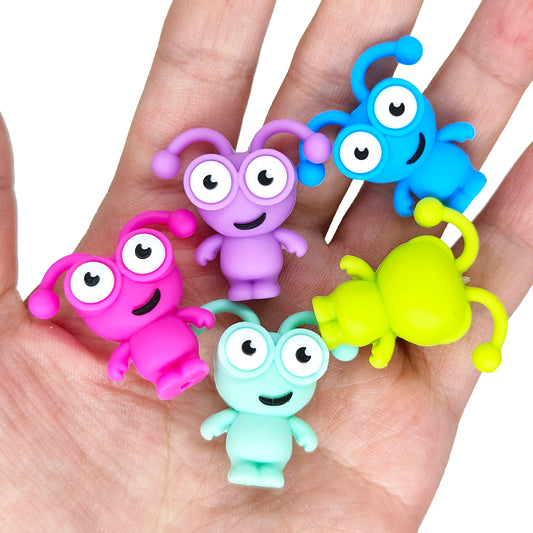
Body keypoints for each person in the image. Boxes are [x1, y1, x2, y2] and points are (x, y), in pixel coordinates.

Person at [0, 0, 531, 530]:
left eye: (260, 181)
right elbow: (201, 310)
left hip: (341, 260)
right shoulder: (306, 303)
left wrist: (232, 289)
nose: (243, 204)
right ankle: (188, 368)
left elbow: (233, 315)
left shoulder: (349, 302)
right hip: (246, 298)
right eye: (217, 186)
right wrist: (194, 300)